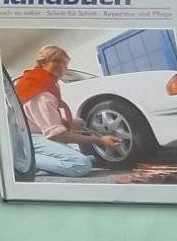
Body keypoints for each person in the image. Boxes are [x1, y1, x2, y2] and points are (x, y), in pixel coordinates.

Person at [14, 45, 120, 177]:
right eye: (56, 61)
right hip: (26, 139)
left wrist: (70, 124)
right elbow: (56, 135)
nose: (62, 66)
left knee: (78, 122)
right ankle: (24, 160)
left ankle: (49, 160)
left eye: (64, 63)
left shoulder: (43, 80)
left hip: (33, 131)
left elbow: (44, 119)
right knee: (81, 165)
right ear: (43, 63)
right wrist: (100, 140)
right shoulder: (41, 92)